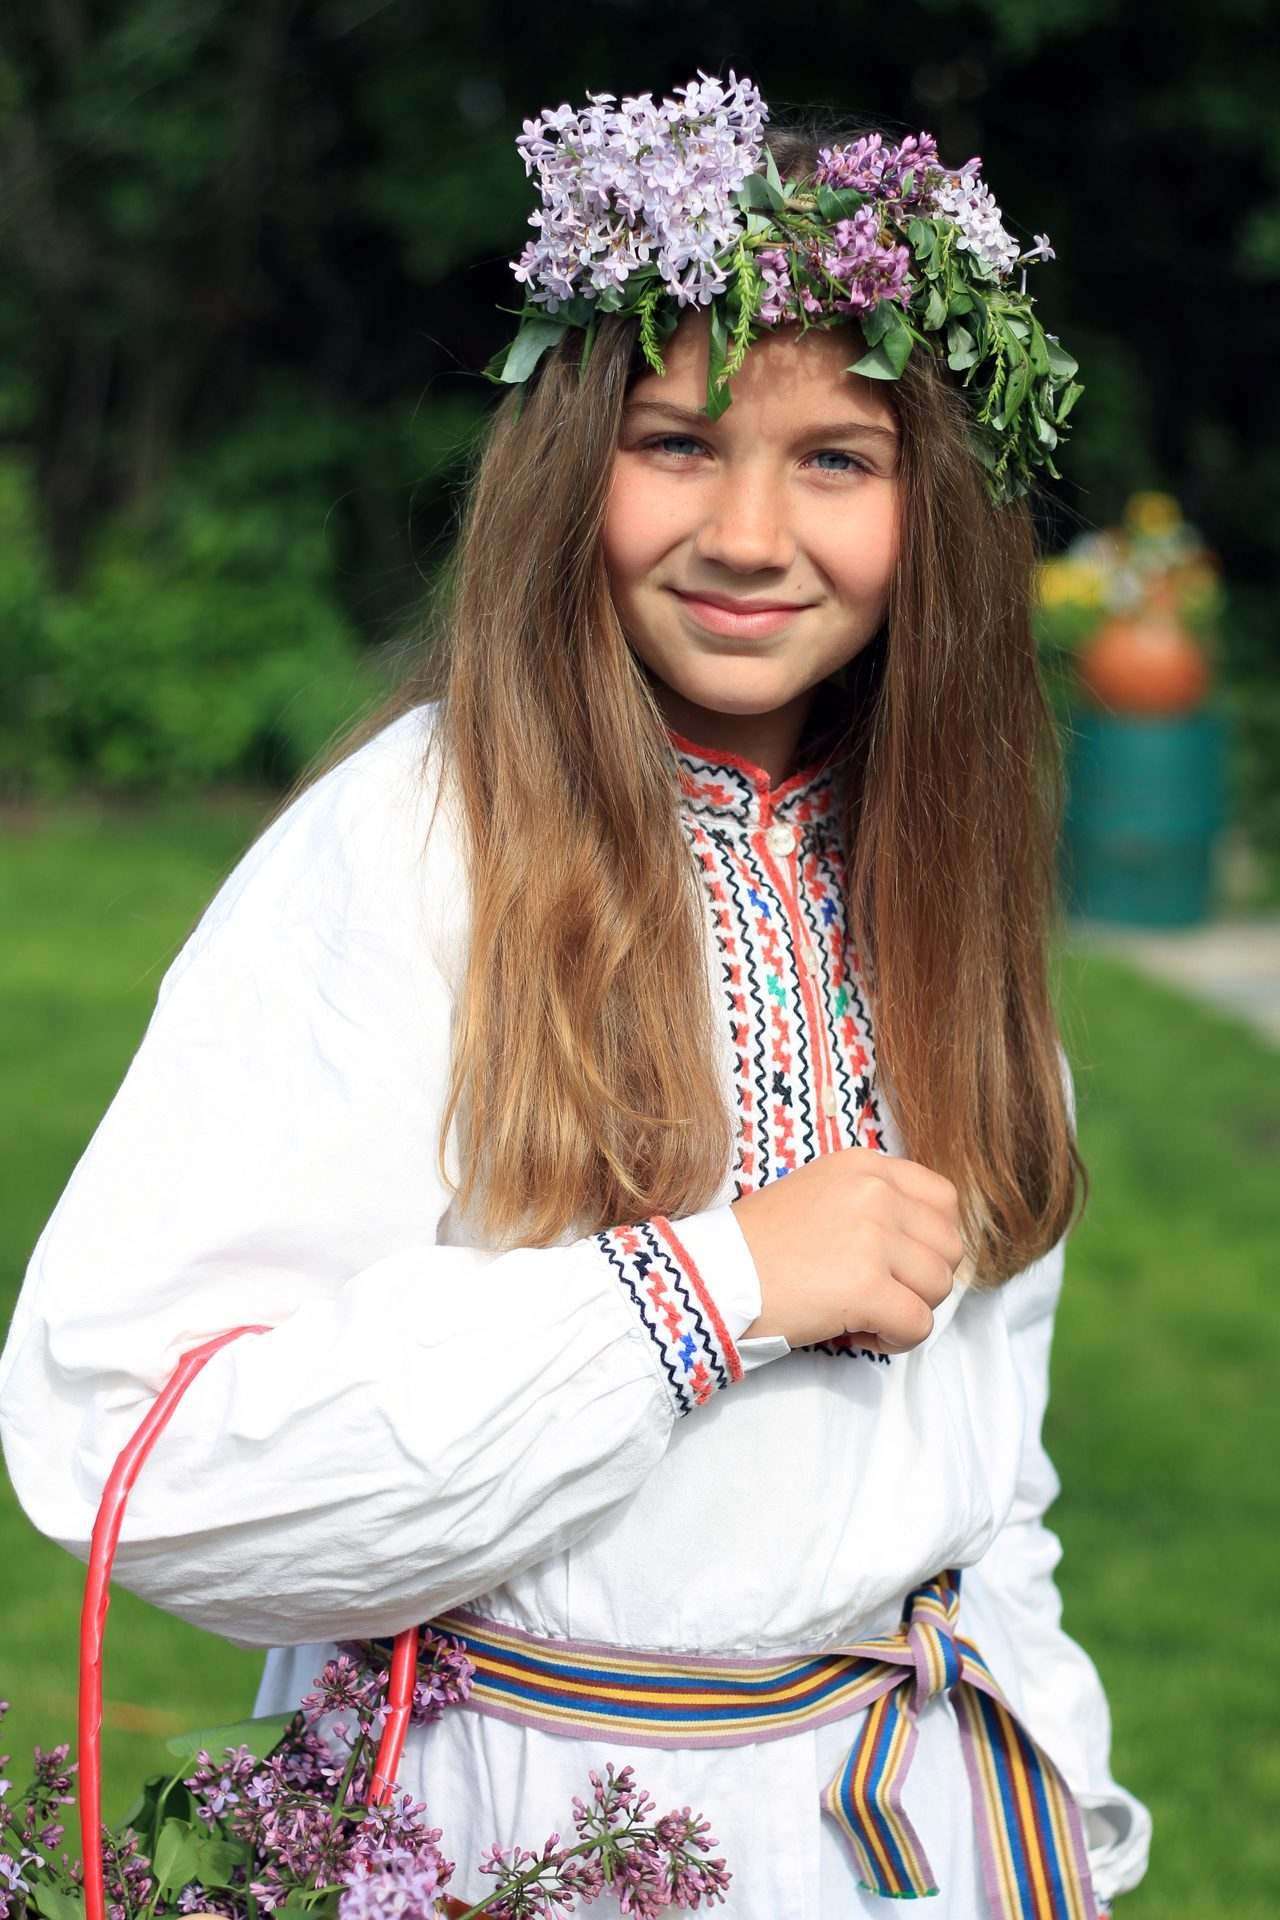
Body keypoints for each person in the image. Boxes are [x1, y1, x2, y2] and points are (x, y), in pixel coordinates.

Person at [0, 75, 1152, 1919]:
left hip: (905, 1839)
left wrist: (1062, 1833)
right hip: (527, 1823)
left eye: (836, 460)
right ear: (568, 459)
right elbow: (145, 1455)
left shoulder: (932, 878)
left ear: (935, 504)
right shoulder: (416, 841)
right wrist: (712, 1287)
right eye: (676, 442)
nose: (750, 534)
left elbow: (987, 1485)